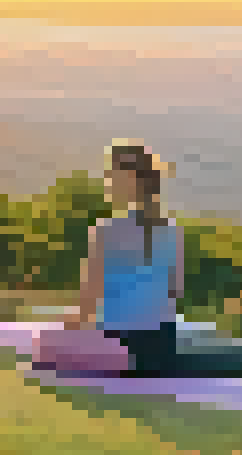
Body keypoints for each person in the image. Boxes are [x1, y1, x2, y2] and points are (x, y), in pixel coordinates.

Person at [68, 143, 188, 377]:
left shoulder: (105, 230)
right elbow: (176, 291)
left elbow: (87, 303)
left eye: (111, 175)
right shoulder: (173, 230)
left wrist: (64, 329)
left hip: (119, 347)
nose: (107, 181)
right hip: (162, 347)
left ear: (130, 181)